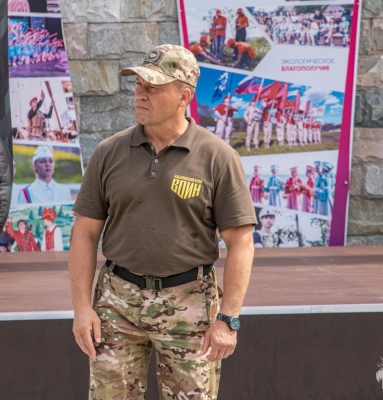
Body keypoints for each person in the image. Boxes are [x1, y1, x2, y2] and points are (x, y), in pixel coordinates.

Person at [68, 44, 257, 399]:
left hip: (190, 305)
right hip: (117, 304)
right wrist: (81, 308)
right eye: (139, 85)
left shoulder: (217, 157)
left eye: (153, 87)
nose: (141, 94)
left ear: (184, 96)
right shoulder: (109, 152)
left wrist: (228, 318)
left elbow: (241, 243)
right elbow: (84, 233)